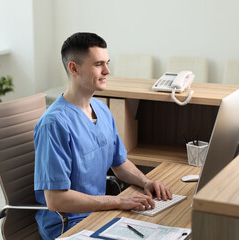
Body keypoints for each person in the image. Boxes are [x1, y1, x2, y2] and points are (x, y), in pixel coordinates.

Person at [34, 32, 172, 240]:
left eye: (107, 63)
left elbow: (119, 163)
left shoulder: (101, 109)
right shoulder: (54, 124)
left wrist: (146, 182)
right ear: (74, 68)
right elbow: (55, 199)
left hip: (101, 214)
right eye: (99, 64)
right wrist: (117, 201)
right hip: (69, 225)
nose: (107, 71)